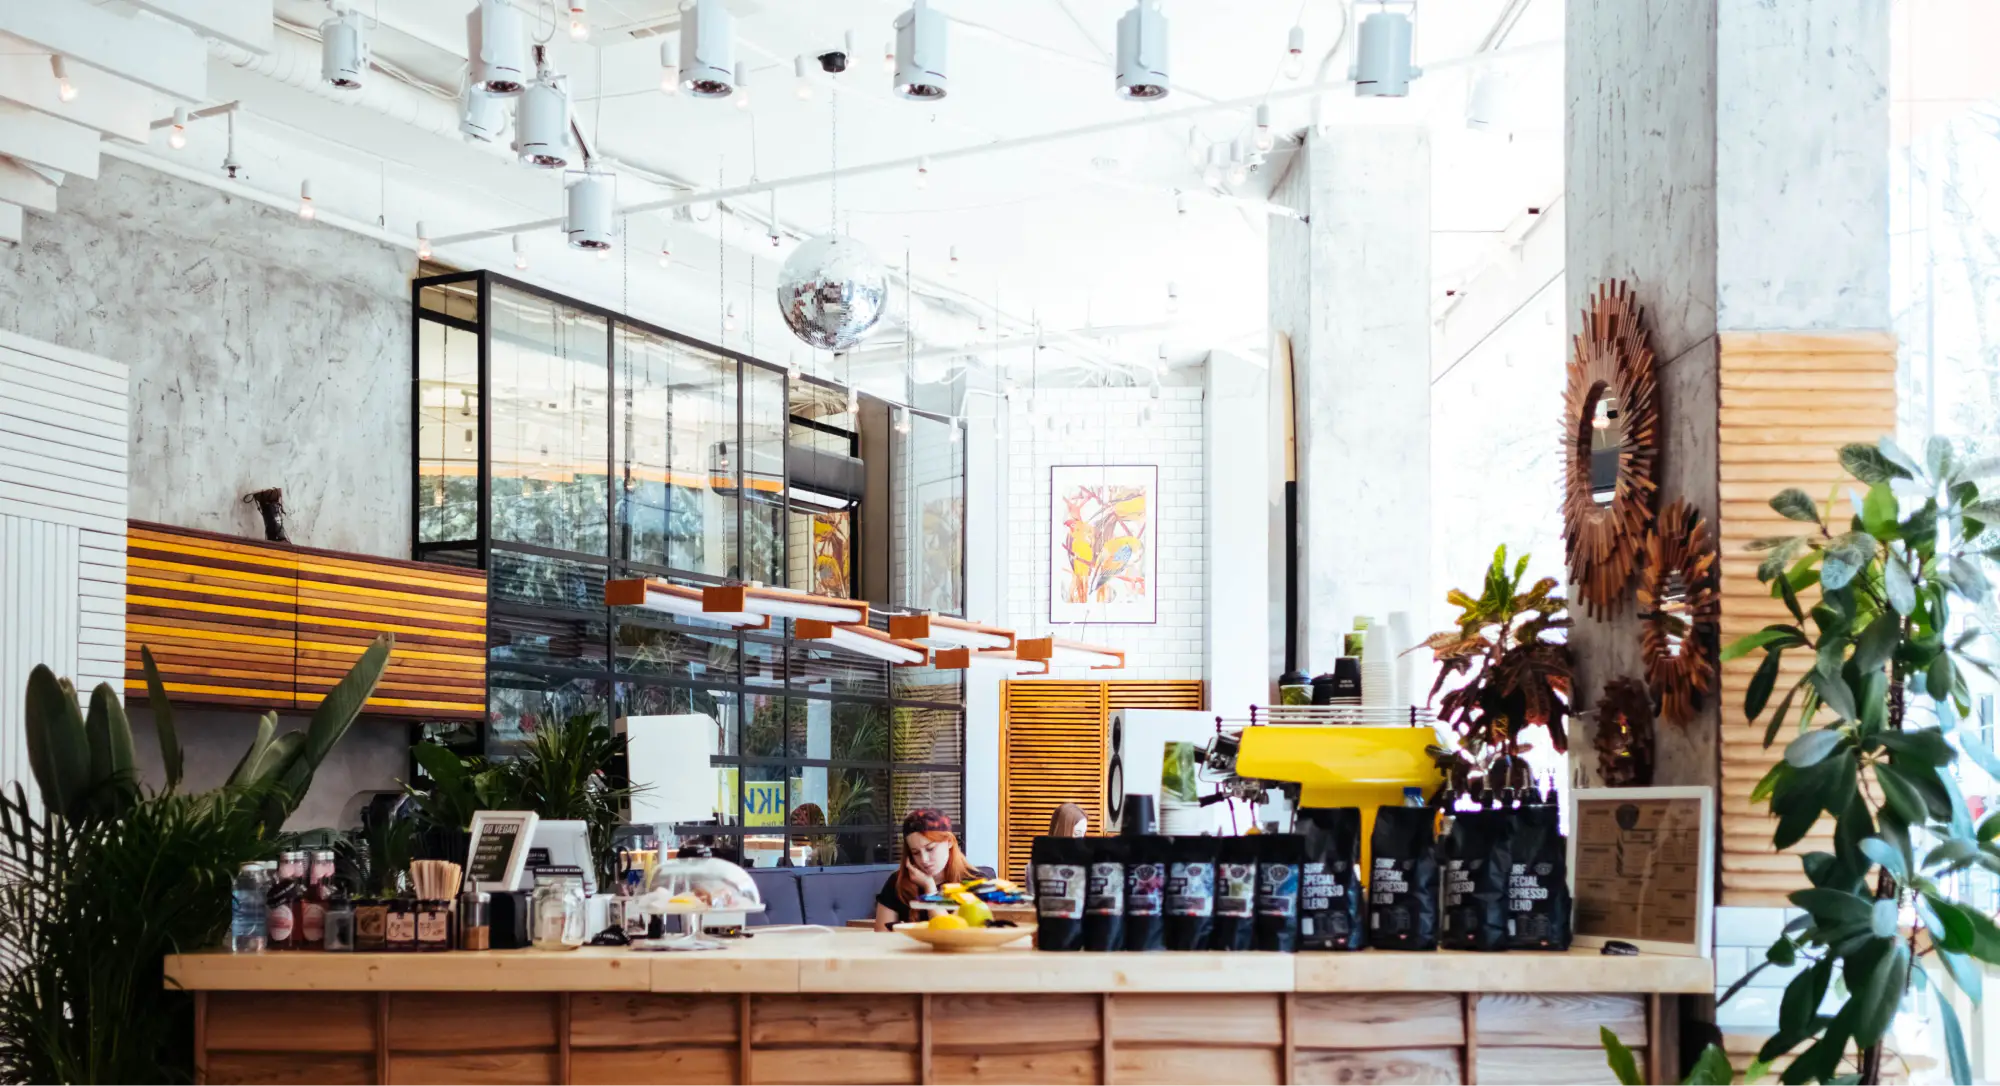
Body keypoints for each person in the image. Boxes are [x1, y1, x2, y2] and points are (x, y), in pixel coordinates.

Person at [874, 808, 978, 931]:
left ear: (949, 842)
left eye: (930, 849)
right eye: (916, 852)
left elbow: (949, 936)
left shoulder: (975, 883)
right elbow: (881, 936)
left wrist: (930, 889)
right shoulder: (897, 882)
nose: (924, 859)